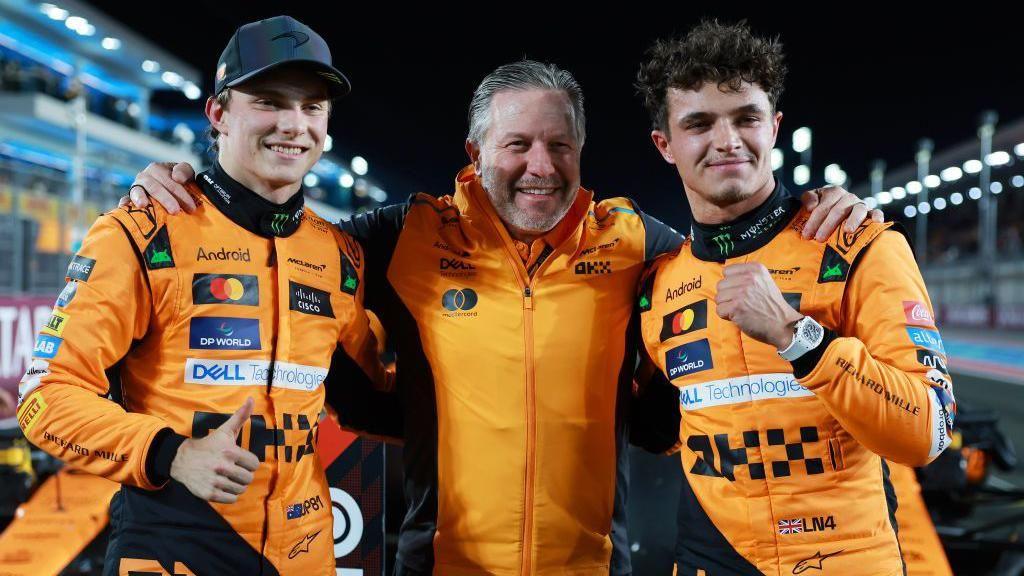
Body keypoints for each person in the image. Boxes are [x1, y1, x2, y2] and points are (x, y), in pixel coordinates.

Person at [128, 59, 876, 575]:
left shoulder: (636, 243)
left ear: (583, 150)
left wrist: (809, 210)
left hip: (593, 566)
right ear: (475, 150)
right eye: (516, 144)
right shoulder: (403, 236)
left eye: (559, 144)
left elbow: (723, 254)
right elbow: (277, 239)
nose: (540, 166)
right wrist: (196, 190)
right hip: (439, 565)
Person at [17, 16, 389, 576]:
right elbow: (45, 396)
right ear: (218, 113)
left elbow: (373, 397)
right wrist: (173, 453)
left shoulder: (339, 254)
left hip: (308, 552)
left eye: (311, 107)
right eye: (268, 101)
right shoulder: (142, 230)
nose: (294, 124)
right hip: (173, 546)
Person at [633, 20, 956, 575]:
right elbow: (663, 427)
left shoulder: (859, 244)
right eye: (699, 123)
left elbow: (929, 431)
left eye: (746, 118)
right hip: (710, 560)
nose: (728, 140)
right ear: (665, 144)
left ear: (775, 126)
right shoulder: (656, 286)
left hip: (850, 559)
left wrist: (796, 336)